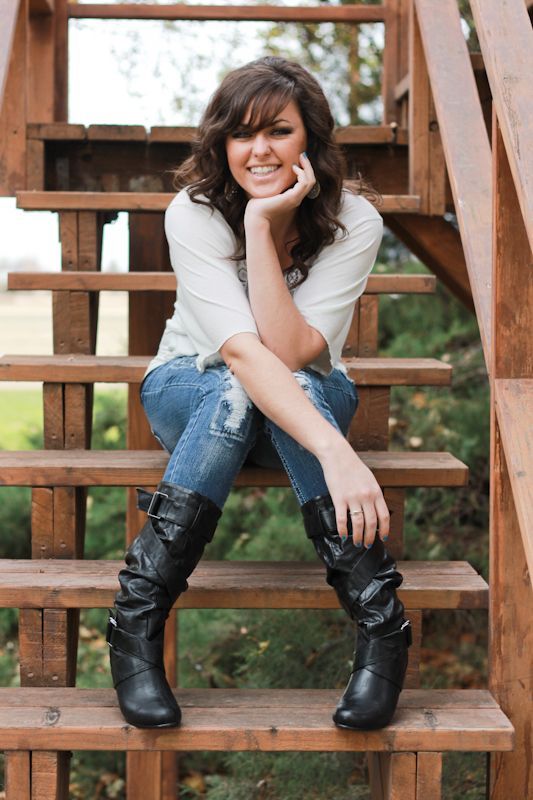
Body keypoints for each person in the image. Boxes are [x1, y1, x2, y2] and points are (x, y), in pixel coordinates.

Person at [107, 56, 412, 732]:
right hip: (190, 385)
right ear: (221, 144)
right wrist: (336, 451)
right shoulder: (192, 213)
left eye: (277, 130)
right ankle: (136, 631)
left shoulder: (352, 220)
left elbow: (293, 350)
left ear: (310, 140)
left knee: (286, 380)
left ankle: (380, 632)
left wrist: (262, 233)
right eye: (241, 134)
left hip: (305, 394)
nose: (259, 150)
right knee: (235, 387)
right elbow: (242, 351)